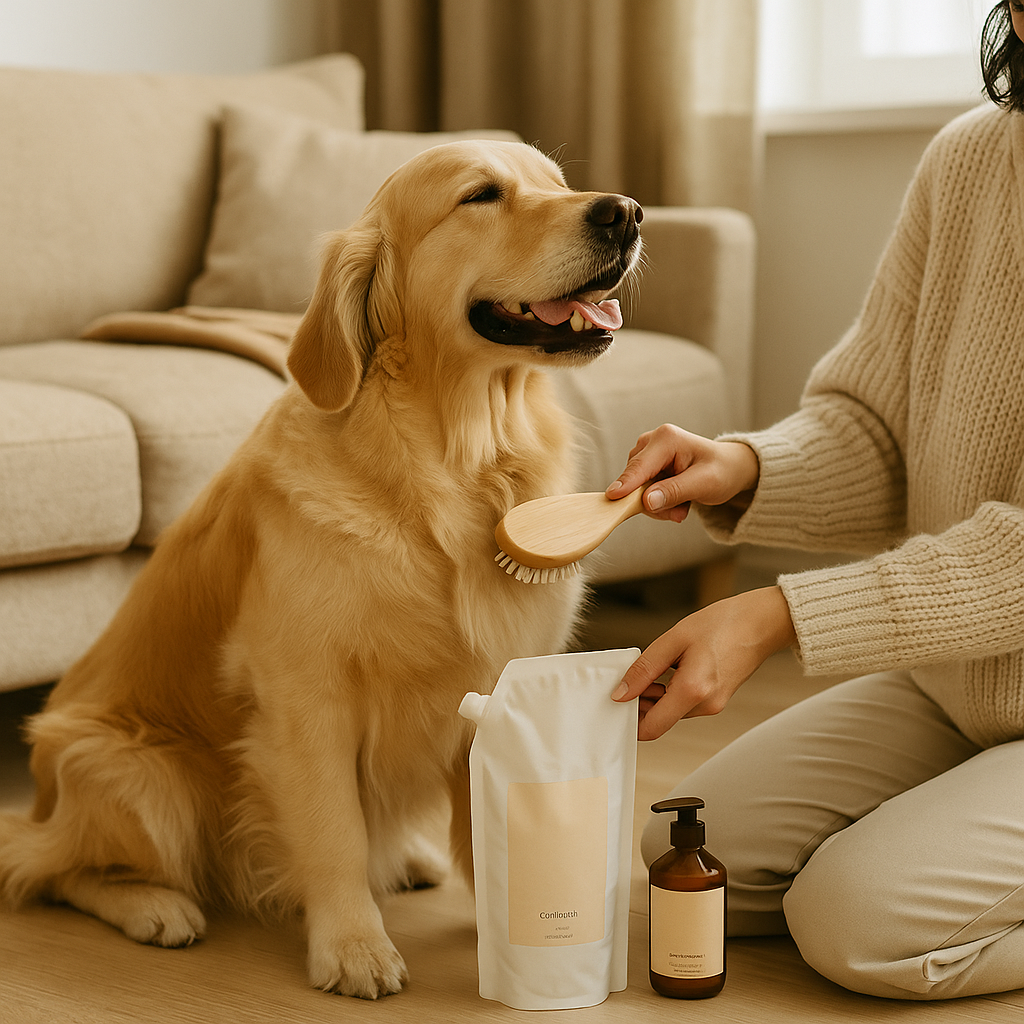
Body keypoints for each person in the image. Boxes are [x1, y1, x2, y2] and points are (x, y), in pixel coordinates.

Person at [608, 0, 1024, 1001]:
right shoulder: (971, 161)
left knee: (853, 923)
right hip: (962, 681)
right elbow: (872, 421)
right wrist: (744, 466)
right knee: (706, 852)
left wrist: (777, 613)